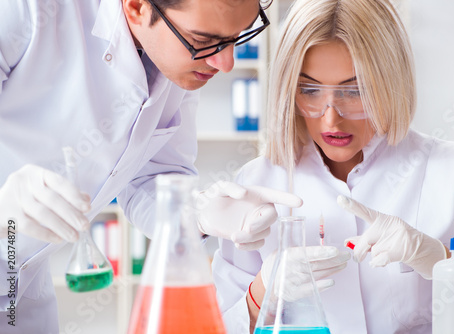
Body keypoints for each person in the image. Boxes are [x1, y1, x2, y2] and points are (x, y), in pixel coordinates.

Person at [0, 0, 302, 333]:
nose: (225, 63)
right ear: (136, 7)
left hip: (22, 290)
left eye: (236, 37)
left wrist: (196, 214)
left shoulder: (178, 63)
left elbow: (150, 177)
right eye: (204, 41)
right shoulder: (26, 9)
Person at [212, 0, 454, 333]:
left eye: (354, 90)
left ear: (390, 83)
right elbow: (216, 325)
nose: (331, 117)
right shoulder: (256, 183)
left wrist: (445, 264)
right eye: (309, 89)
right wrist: (262, 290)